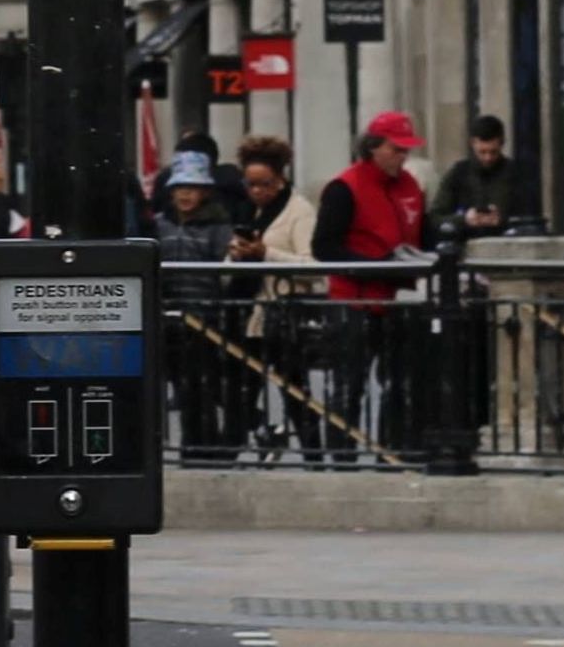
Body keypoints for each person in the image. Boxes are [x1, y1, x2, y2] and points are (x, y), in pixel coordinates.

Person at [312, 112, 435, 458]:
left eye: (406, 150)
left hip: (399, 299)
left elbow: (424, 232)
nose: (402, 156)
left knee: (399, 385)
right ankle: (342, 457)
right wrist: (375, 267)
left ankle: (394, 452)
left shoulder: (410, 185)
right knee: (349, 387)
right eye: (396, 149)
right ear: (373, 148)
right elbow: (324, 247)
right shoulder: (344, 187)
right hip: (354, 302)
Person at [229, 135, 320, 452]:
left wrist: (267, 253)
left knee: (294, 390)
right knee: (241, 390)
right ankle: (235, 451)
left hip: (283, 315)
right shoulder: (248, 211)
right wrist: (237, 256)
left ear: (280, 179)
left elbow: (312, 265)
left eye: (264, 184)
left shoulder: (299, 210)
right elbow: (229, 266)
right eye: (251, 184)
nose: (257, 191)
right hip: (251, 315)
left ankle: (314, 453)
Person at [155, 149, 239, 460]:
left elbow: (224, 269)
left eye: (192, 188)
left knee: (201, 387)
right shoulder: (161, 224)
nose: (185, 194)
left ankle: (206, 446)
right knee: (182, 386)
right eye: (180, 188)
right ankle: (193, 445)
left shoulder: (218, 225)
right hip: (170, 318)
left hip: (204, 318)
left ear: (204, 191)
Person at [433, 114, 521, 236]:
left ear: (502, 144)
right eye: (482, 152)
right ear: (473, 143)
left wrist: (501, 219)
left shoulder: (516, 173)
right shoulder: (459, 173)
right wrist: (464, 219)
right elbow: (435, 218)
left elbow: (529, 218)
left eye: (493, 152)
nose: (488, 158)